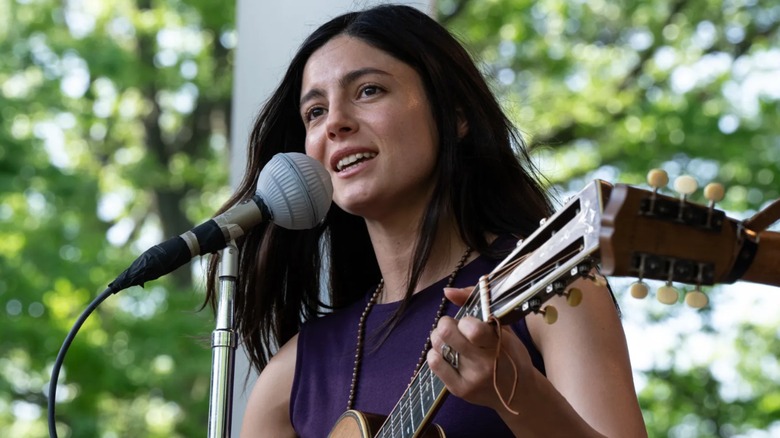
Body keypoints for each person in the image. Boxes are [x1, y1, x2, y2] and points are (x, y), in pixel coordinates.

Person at [205, 4, 647, 437]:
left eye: (368, 90)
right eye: (315, 112)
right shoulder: (289, 379)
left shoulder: (553, 286)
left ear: (455, 116)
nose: (335, 122)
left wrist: (521, 395)